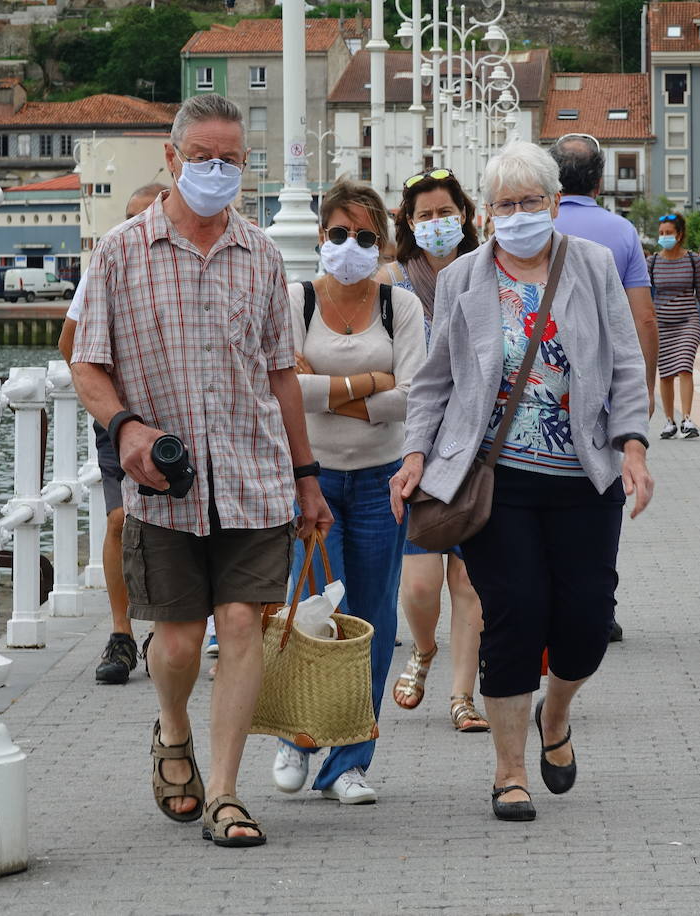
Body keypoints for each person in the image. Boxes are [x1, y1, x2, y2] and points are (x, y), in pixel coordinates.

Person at [70, 93, 331, 848]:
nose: (218, 171)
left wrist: (306, 478)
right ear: (172, 158)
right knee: (179, 644)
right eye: (204, 157)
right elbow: (87, 364)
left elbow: (282, 376)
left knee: (242, 624)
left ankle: (225, 791)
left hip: (254, 478)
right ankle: (173, 727)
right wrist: (125, 431)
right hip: (163, 489)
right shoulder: (120, 253)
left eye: (231, 159)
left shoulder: (264, 255)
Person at [389, 141, 653, 822]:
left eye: (529, 202)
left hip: (582, 477)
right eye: (504, 204)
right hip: (496, 482)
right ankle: (509, 773)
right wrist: (417, 453)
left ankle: (555, 715)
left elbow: (626, 363)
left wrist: (634, 446)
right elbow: (434, 380)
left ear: (555, 203)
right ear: (489, 213)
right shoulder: (464, 280)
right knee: (513, 616)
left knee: (585, 622)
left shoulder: (592, 266)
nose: (517, 214)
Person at [269, 181, 427, 805]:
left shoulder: (402, 308)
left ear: (383, 244)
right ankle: (297, 737)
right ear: (319, 238)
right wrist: (367, 384)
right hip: (311, 475)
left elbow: (413, 397)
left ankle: (351, 759)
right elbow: (278, 384)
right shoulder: (294, 301)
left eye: (365, 236)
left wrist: (327, 387)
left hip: (382, 480)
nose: (351, 246)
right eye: (339, 234)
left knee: (373, 616)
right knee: (307, 610)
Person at [375, 168, 490, 733]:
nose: (438, 223)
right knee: (420, 585)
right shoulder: (391, 282)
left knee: (469, 582)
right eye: (426, 215)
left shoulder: (488, 272)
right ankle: (423, 649)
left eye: (447, 212)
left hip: (475, 449)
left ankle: (463, 696)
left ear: (464, 215)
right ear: (409, 222)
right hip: (411, 446)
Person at [549, 131, 657, 643]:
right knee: (601, 500)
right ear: (599, 180)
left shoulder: (531, 227)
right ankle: (599, 605)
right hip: (604, 399)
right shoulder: (621, 233)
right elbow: (642, 321)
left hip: (540, 397)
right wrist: (645, 392)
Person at [58, 182, 167, 685]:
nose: (135, 226)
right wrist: (107, 401)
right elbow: (70, 342)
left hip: (181, 414)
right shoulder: (106, 264)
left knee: (180, 523)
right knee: (121, 518)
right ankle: (121, 633)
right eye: (127, 215)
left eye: (144, 216)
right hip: (120, 419)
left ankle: (171, 626)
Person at [651, 214, 700, 440]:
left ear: (679, 234)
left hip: (688, 320)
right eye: (661, 233)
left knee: (684, 366)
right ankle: (669, 421)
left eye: (668, 232)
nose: (664, 237)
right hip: (661, 323)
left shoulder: (693, 260)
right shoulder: (653, 262)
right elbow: (646, 295)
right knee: (666, 372)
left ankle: (687, 418)